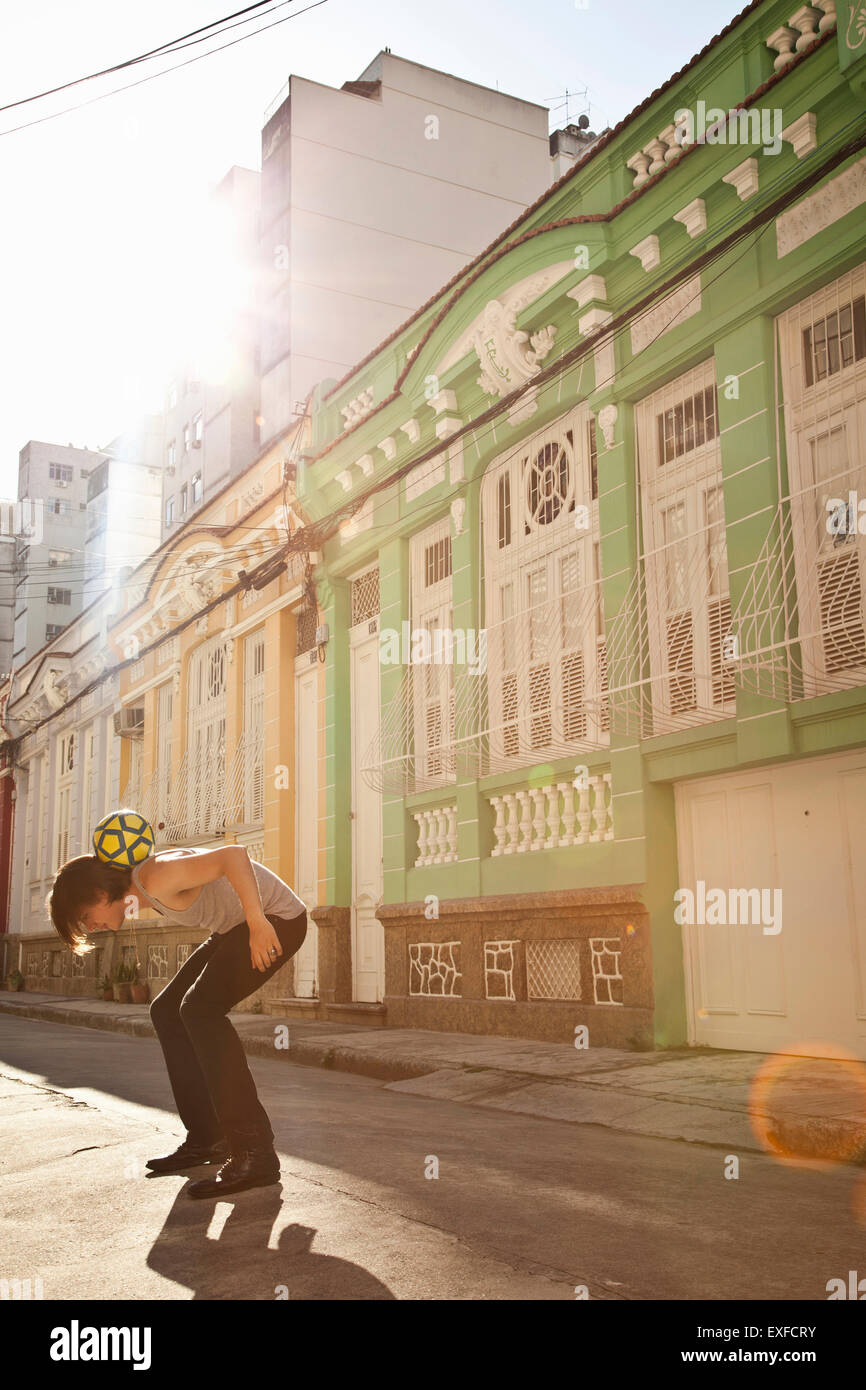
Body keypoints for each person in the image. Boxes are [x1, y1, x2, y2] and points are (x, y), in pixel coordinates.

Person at [48, 843, 307, 1199]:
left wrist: (257, 920)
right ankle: (207, 1138)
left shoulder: (156, 875)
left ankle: (254, 1152)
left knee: (201, 1011)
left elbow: (234, 854)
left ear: (97, 892)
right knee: (167, 1010)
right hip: (234, 928)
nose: (89, 927)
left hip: (277, 920)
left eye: (84, 917)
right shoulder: (142, 888)